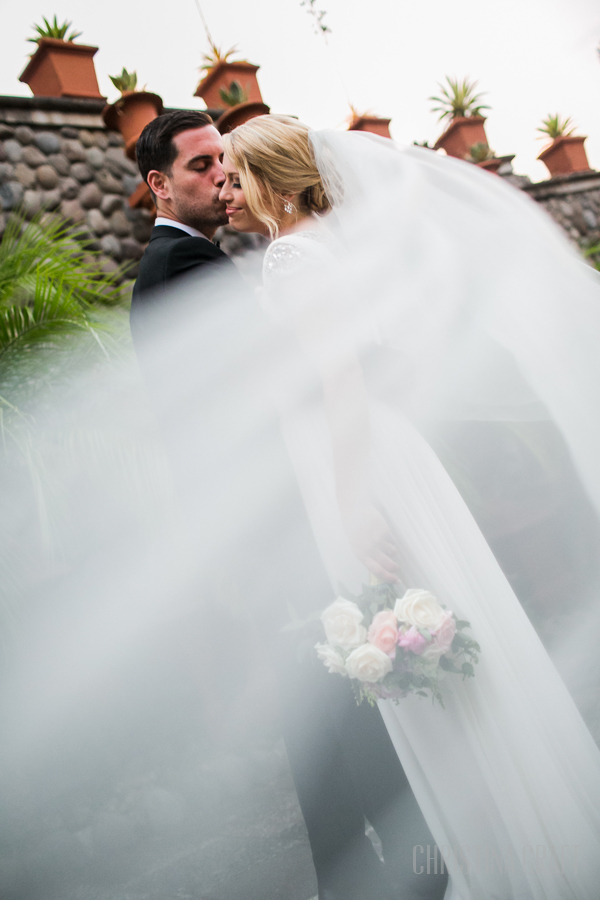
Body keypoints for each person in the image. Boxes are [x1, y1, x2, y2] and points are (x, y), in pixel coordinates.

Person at [219, 114, 600, 899]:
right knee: (447, 634)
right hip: (395, 455)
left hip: (358, 467)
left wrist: (354, 500)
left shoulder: (292, 256)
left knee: (418, 639)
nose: (227, 187)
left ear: (274, 180)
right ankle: (525, 828)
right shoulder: (343, 247)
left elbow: (340, 382)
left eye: (235, 171)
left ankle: (505, 856)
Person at [131, 110, 446, 900]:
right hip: (274, 522)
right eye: (203, 166)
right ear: (159, 184)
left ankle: (391, 863)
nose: (221, 179)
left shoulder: (233, 259)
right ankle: (389, 864)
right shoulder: (177, 268)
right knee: (332, 698)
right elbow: (212, 420)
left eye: (227, 164)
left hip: (304, 503)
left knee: (341, 697)